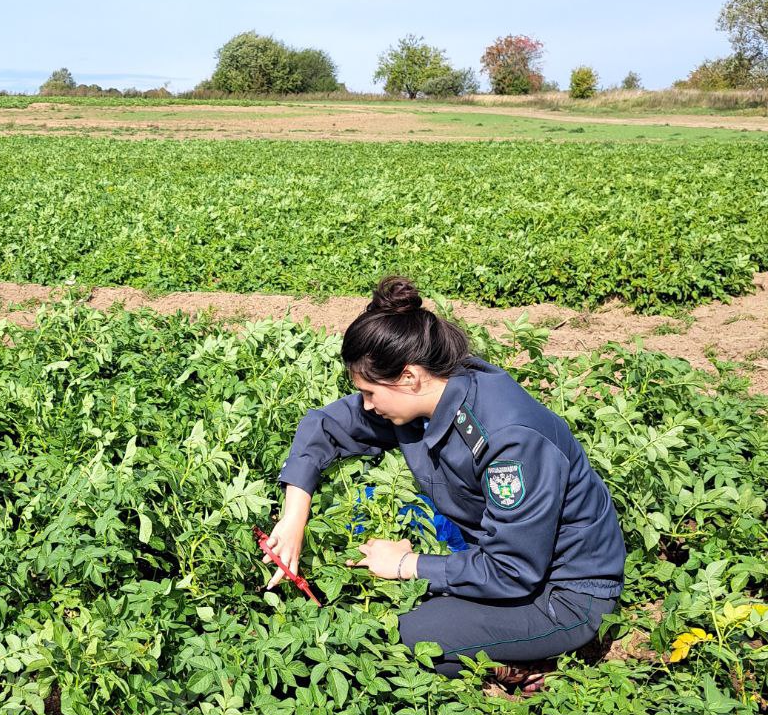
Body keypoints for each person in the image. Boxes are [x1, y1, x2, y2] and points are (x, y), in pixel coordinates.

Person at [262, 275, 625, 692]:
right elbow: (323, 425)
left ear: (409, 377)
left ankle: (525, 660)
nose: (364, 405)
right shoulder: (428, 397)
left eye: (368, 392)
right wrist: (293, 520)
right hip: (500, 565)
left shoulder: (510, 442)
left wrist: (405, 566)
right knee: (380, 621)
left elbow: (512, 571)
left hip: (561, 596)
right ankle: (494, 646)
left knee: (398, 641)